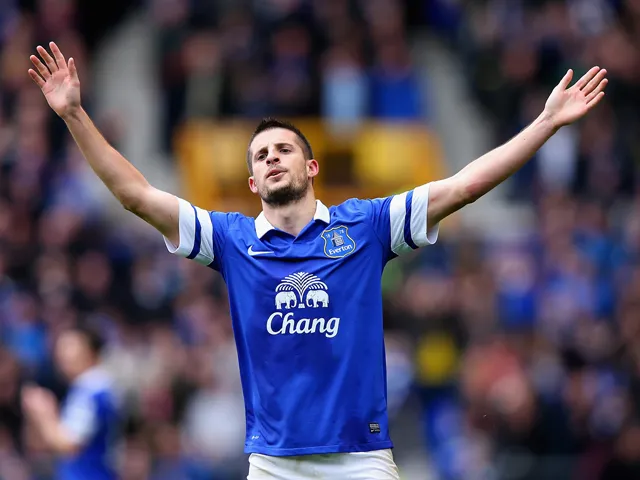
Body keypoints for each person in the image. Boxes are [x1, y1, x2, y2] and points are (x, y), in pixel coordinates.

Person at [27, 42, 607, 479]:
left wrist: (546, 123)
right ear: (252, 182)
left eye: (284, 149)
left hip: (361, 459)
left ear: (311, 168)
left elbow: (463, 187)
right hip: (273, 464)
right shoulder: (230, 239)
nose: (272, 158)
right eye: (261, 155)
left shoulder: (366, 226)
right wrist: (75, 114)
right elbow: (136, 195)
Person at [21, 324, 120, 480]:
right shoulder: (93, 387)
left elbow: (69, 445)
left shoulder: (91, 390)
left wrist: (44, 413)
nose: (62, 355)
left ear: (90, 351)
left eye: (69, 347)